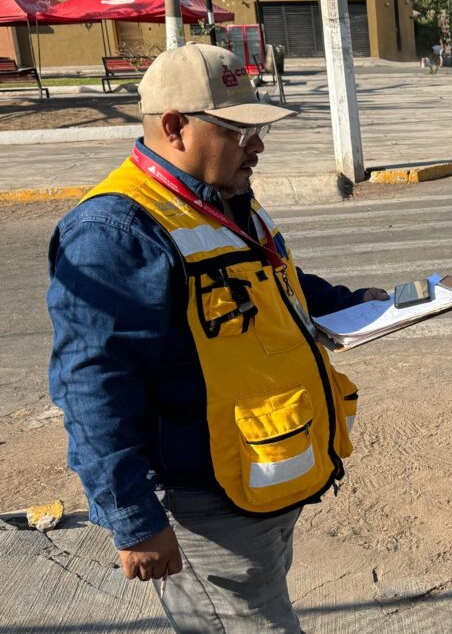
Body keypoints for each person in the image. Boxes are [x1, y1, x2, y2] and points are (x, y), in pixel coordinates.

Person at [47, 43, 389, 632]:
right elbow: (93, 387)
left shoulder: (222, 199)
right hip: (204, 504)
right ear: (176, 127)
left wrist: (351, 303)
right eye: (238, 130)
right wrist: (135, 519)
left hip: (257, 483)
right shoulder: (114, 231)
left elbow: (273, 281)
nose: (257, 144)